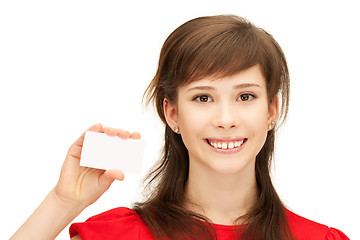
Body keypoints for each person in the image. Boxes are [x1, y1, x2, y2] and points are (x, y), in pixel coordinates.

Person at [10, 15, 349, 240]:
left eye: (245, 96)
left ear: (272, 109)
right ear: (171, 113)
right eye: (203, 98)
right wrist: (62, 202)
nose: (226, 118)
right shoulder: (115, 235)